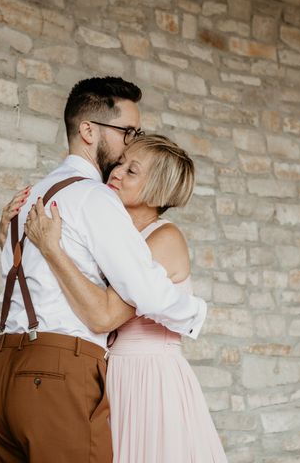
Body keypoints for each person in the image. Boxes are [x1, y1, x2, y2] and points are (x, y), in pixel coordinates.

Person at [0, 77, 207, 463]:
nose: (127, 146)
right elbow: (142, 298)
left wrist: (10, 239)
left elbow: (30, 277)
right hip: (57, 373)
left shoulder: (34, 195)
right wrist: (195, 313)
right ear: (88, 130)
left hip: (4, 371)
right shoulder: (94, 198)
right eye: (127, 132)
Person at [21, 135, 228, 462]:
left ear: (157, 190)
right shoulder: (117, 241)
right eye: (120, 163)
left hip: (149, 380)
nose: (115, 172)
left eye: (132, 171)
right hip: (111, 376)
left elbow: (102, 314)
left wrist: (51, 249)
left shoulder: (164, 237)